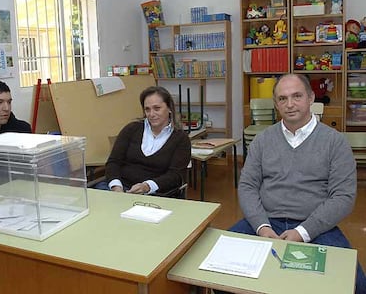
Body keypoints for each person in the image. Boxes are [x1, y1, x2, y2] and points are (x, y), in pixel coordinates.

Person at [219, 74, 365, 294]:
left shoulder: (335, 142)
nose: (290, 104)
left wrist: (303, 232)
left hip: (316, 227)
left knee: (355, 284)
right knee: (218, 270)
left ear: (311, 98)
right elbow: (248, 185)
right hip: (265, 222)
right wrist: (262, 227)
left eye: (297, 96)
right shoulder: (262, 140)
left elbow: (343, 197)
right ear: (276, 104)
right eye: (282, 98)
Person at [94, 86, 191, 198]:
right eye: (147, 109)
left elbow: (176, 175)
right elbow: (113, 162)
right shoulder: (131, 129)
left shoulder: (181, 138)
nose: (151, 114)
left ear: (169, 108)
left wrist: (147, 186)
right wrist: (116, 187)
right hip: (120, 189)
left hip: (156, 194)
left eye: (157, 108)